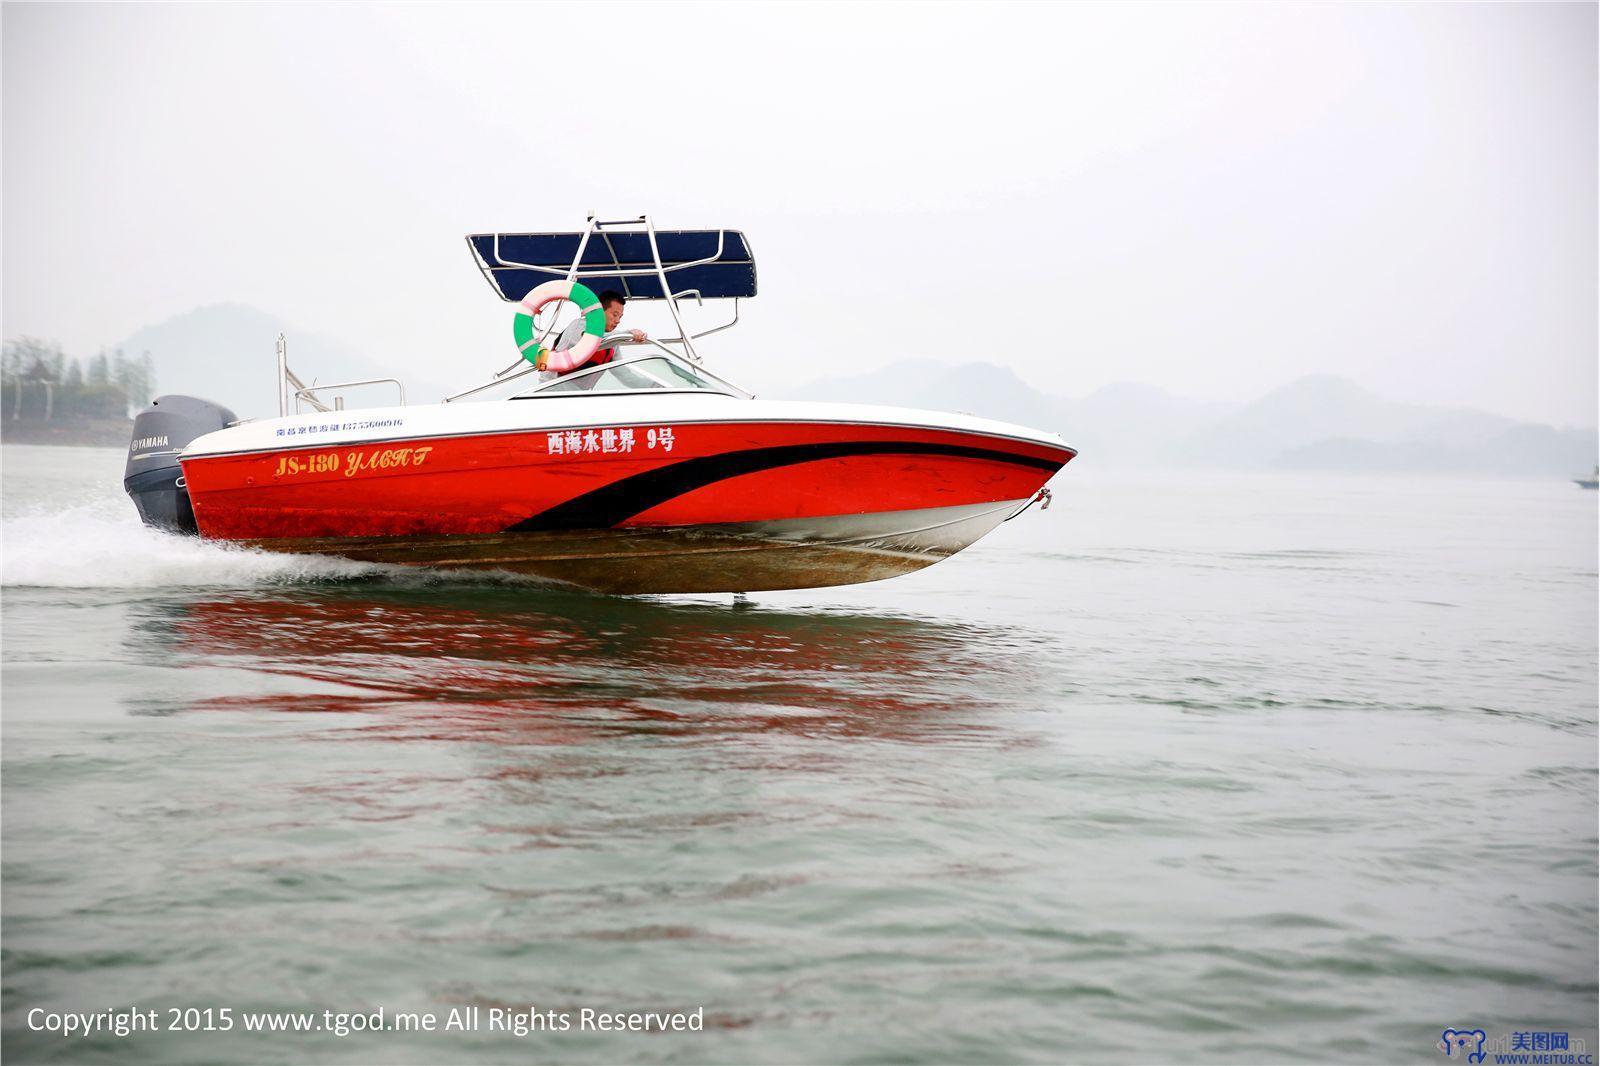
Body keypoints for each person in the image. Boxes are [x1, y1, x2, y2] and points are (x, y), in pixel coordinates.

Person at [549, 290, 646, 375]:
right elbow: (594, 340)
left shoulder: (612, 342)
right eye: (615, 315)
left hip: (581, 394)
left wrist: (650, 385)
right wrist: (628, 334)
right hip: (552, 392)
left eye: (620, 317)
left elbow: (623, 374)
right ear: (599, 311)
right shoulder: (579, 325)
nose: (618, 321)